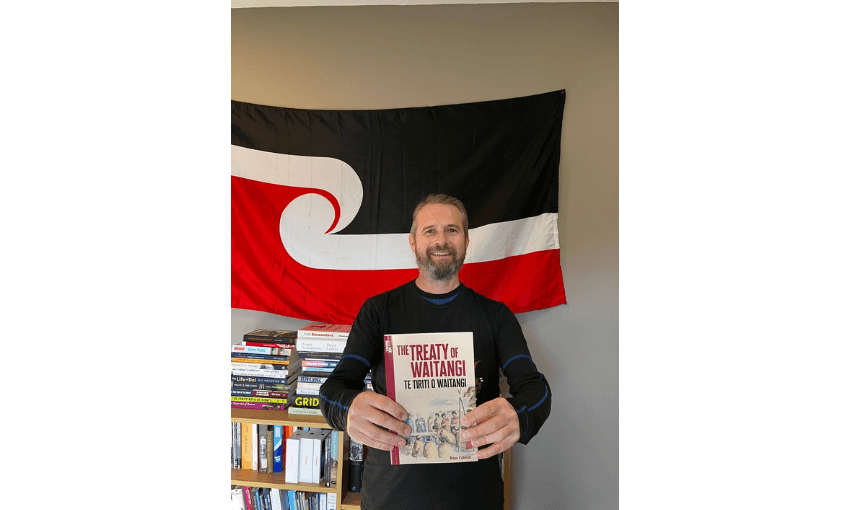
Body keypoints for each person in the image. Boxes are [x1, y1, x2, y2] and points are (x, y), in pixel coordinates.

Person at [319, 194, 551, 510]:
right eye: (430, 231)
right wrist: (348, 409)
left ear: (466, 241)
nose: (441, 240)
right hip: (390, 497)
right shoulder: (378, 310)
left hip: (474, 498)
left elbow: (536, 389)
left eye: (452, 230)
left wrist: (520, 416)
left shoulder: (496, 315)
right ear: (413, 242)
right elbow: (332, 390)